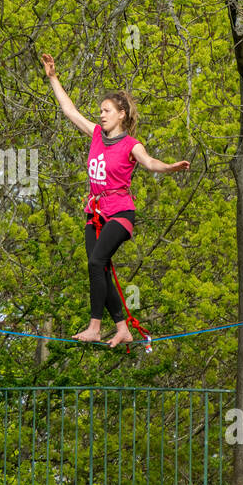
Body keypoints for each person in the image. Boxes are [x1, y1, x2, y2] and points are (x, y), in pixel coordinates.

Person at [41, 52, 190, 348]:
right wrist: (53, 78)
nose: (101, 114)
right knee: (99, 267)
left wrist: (170, 167)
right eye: (100, 110)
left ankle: (95, 326)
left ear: (121, 114)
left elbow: (149, 163)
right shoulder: (96, 134)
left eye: (107, 110)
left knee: (98, 261)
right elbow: (70, 111)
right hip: (94, 211)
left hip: (120, 211)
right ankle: (122, 328)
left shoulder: (130, 144)